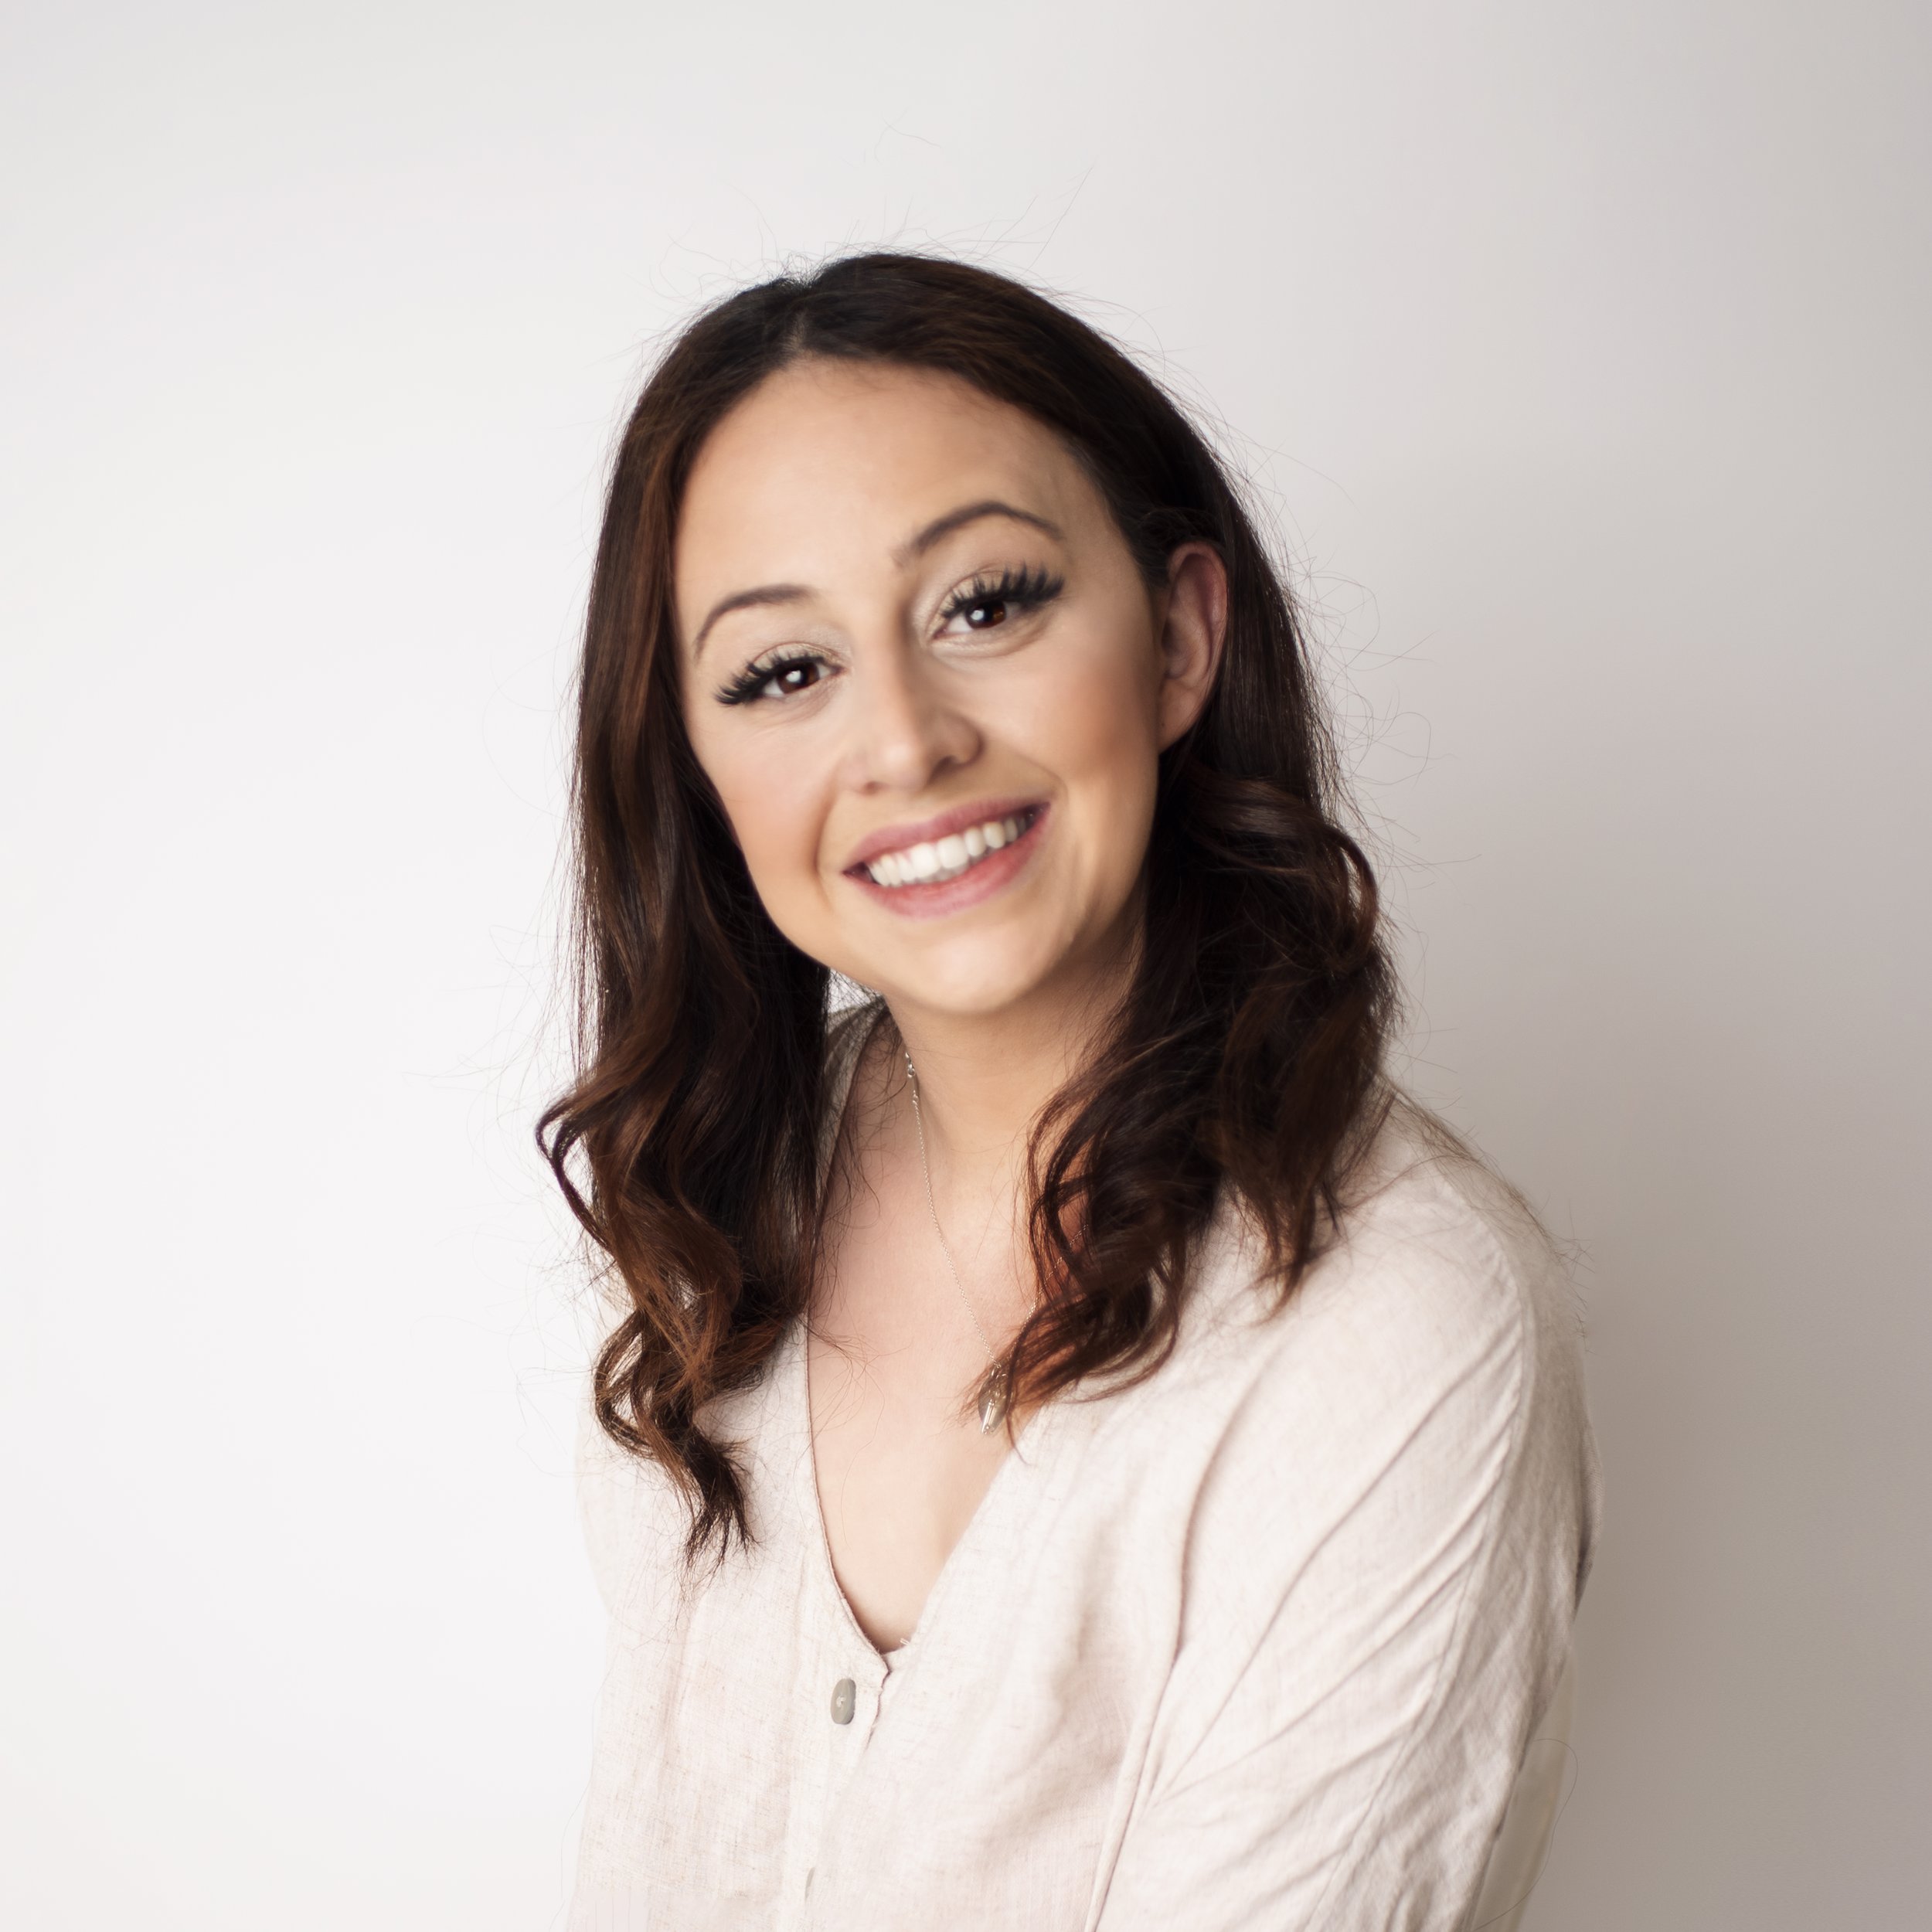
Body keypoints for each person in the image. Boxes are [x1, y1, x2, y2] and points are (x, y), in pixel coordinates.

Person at [542, 253, 1600, 1931]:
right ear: (690, 762)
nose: (900, 738)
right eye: (778, 672)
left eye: (983, 602)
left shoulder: (1396, 1322)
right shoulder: (714, 1211)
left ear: (1178, 637)